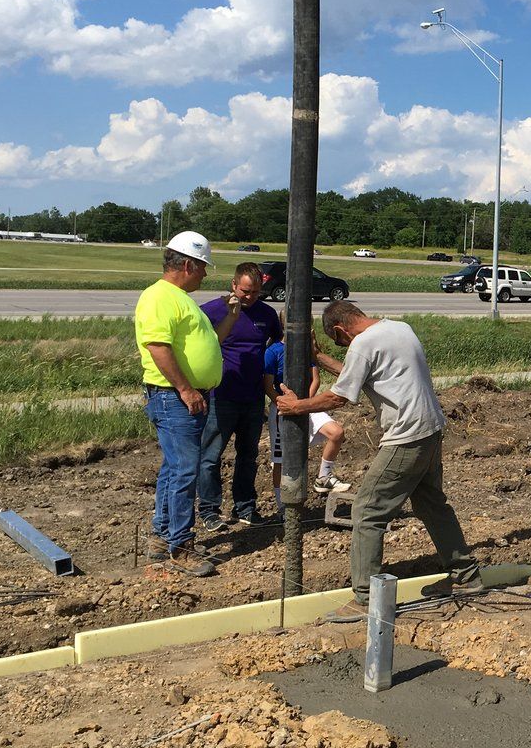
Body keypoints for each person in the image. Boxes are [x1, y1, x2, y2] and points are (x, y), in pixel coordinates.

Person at [276, 300, 483, 623]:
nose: (344, 347)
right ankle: (466, 577)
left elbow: (339, 397)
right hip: (430, 430)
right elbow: (357, 374)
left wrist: (297, 406)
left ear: (341, 330)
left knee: (367, 511)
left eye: (339, 342)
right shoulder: (398, 329)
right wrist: (318, 358)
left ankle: (366, 599)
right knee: (432, 505)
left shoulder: (362, 344)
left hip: (406, 437)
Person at [134, 232, 242, 577]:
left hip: (184, 396)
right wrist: (185, 389)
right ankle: (180, 547)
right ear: (187, 265)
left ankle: (161, 536)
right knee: (185, 470)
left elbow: (205, 344)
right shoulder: (159, 297)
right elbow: (158, 347)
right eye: (203, 268)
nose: (206, 276)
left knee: (173, 468)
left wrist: (231, 319)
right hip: (174, 397)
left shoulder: (179, 298)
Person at [195, 262, 283, 531]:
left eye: (256, 292)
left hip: (253, 398)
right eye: (245, 291)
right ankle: (209, 510)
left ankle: (245, 506)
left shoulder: (266, 315)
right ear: (233, 285)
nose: (250, 297)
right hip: (221, 395)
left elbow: (278, 346)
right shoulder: (212, 311)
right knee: (211, 456)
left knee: (248, 456)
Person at [263, 335, 351, 499]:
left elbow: (315, 379)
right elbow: (268, 386)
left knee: (336, 433)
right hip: (281, 409)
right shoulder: (273, 351)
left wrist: (304, 404)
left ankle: (323, 477)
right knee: (280, 459)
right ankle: (281, 504)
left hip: (308, 405)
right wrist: (283, 403)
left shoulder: (306, 350)